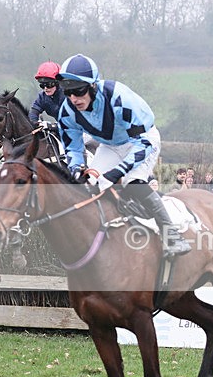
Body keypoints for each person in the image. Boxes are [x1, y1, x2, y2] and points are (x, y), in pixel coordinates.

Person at [56, 53, 190, 256]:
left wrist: (116, 172)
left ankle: (173, 236)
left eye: (78, 91)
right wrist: (76, 169)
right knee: (88, 185)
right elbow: (73, 148)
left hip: (143, 141)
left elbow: (143, 142)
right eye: (68, 92)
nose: (73, 98)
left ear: (93, 86)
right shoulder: (67, 112)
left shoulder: (118, 98)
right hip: (110, 146)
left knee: (131, 181)